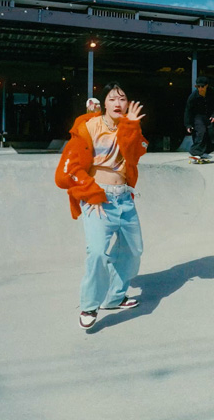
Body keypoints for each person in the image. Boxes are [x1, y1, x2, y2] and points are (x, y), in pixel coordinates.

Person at [55, 82, 149, 329]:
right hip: (98, 198)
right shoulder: (88, 127)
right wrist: (92, 193)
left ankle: (114, 297)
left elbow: (134, 156)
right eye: (112, 99)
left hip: (124, 197)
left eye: (122, 98)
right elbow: (66, 173)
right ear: (103, 103)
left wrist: (131, 126)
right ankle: (89, 305)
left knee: (133, 250)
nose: (118, 103)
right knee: (97, 252)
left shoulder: (129, 125)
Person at [185, 76, 214, 161]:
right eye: (198, 87)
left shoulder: (213, 93)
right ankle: (195, 152)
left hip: (209, 115)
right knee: (201, 132)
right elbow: (188, 110)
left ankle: (204, 152)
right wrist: (188, 124)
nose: (200, 89)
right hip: (198, 116)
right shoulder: (193, 96)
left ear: (206, 86)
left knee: (212, 135)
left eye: (202, 86)